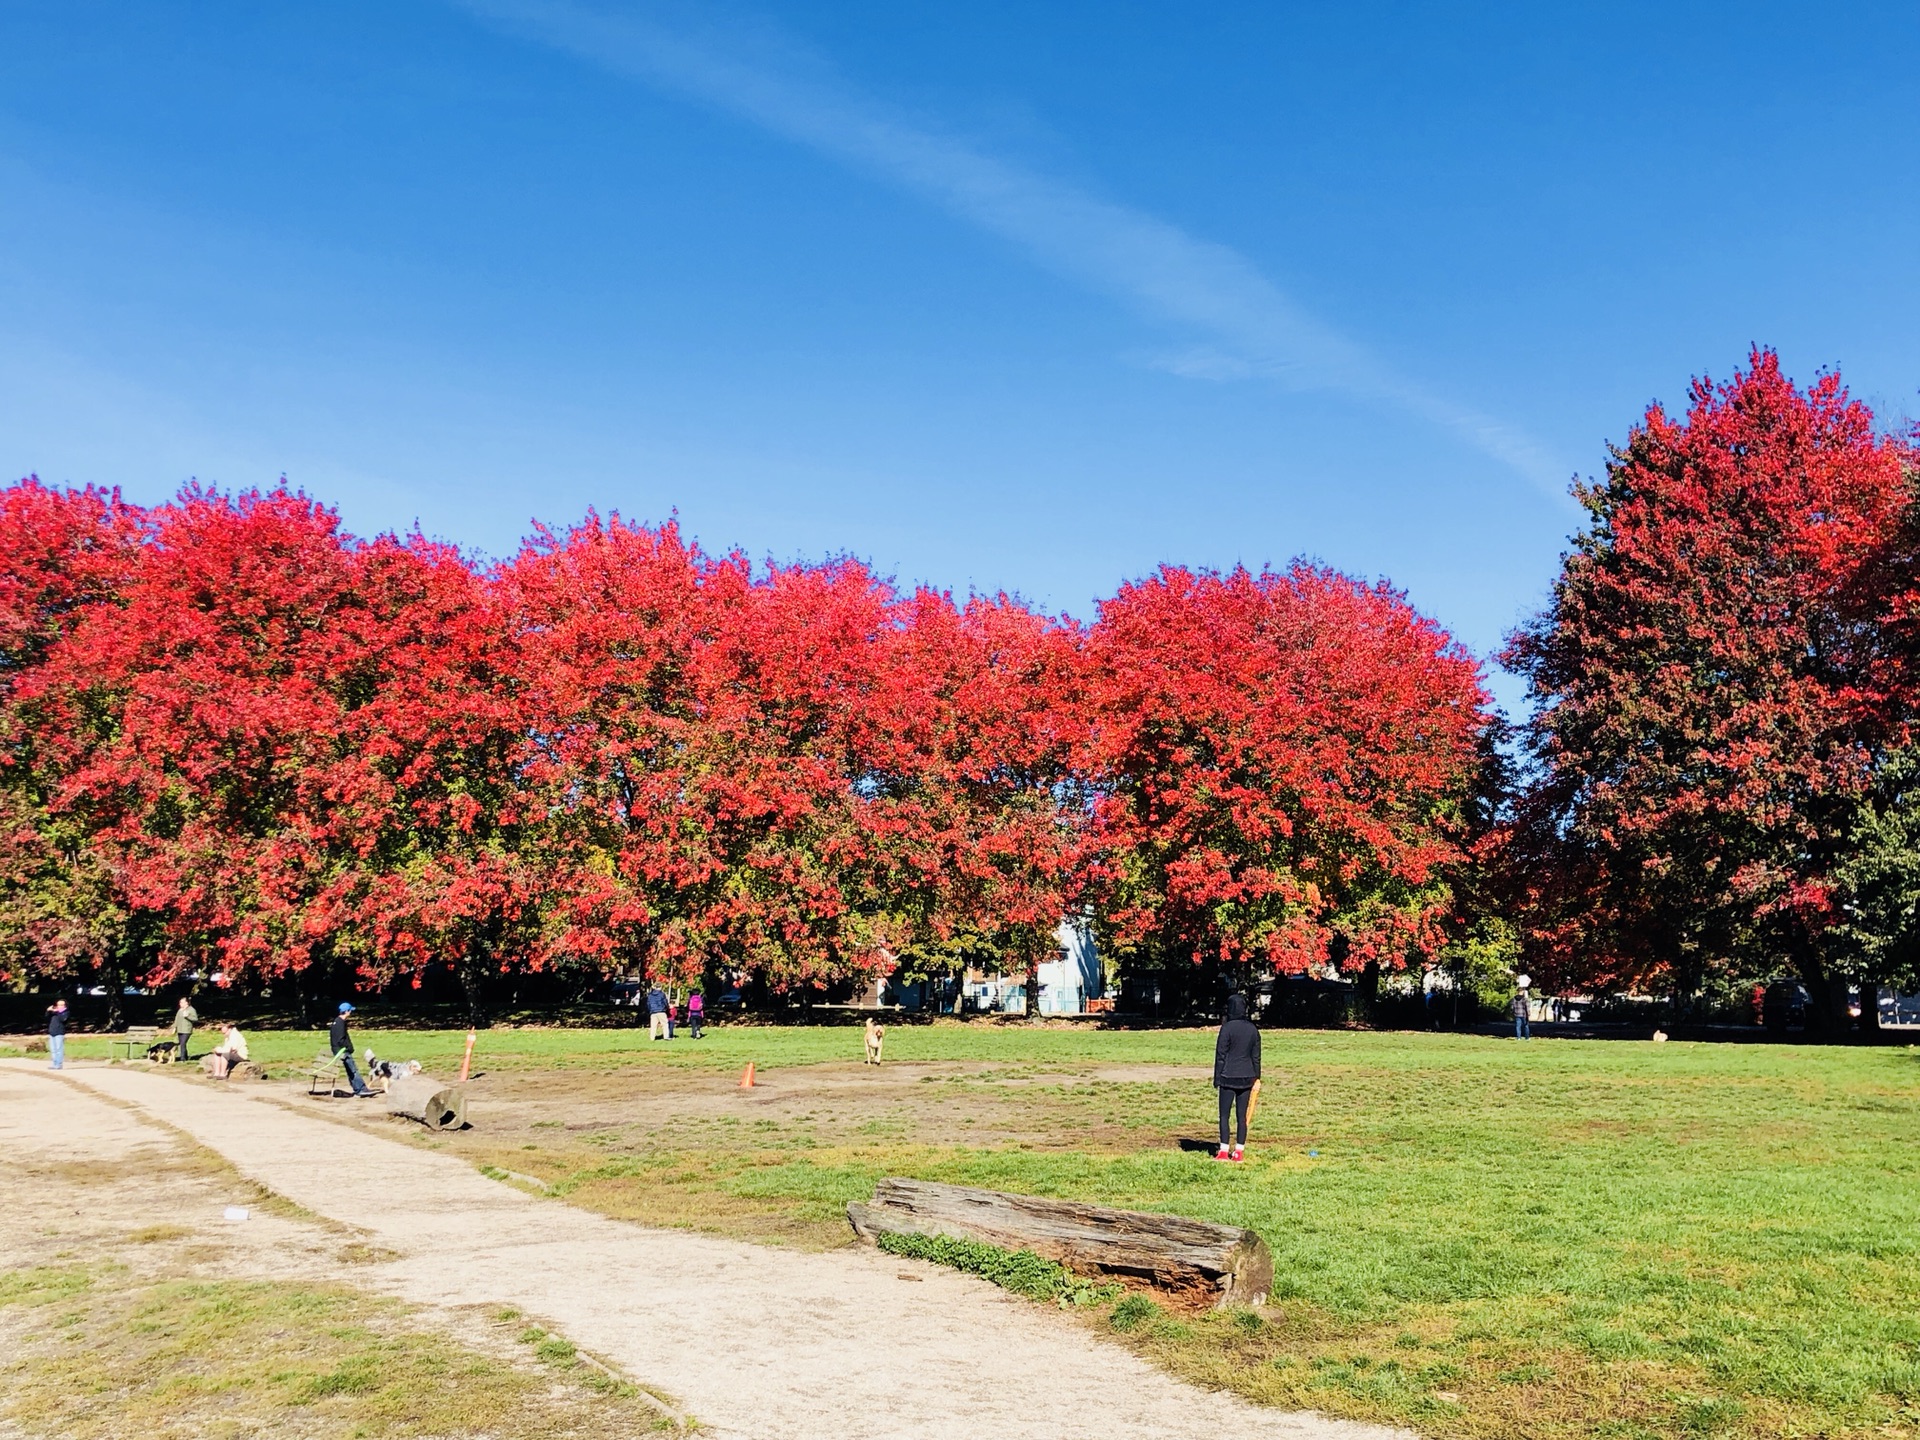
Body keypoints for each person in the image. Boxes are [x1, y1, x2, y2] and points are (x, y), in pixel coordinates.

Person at [1213, 993, 1261, 1162]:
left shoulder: (1226, 1028)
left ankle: (1224, 1150)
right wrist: (1257, 1078)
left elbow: (1221, 1054)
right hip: (1247, 1077)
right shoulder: (1253, 1029)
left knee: (1224, 1115)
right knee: (1242, 1116)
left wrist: (1217, 1077)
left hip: (1228, 1076)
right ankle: (1239, 1151)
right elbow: (1256, 1056)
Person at [328, 1002, 374, 1097]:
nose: (351, 1013)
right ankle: (361, 1089)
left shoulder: (336, 1021)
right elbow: (341, 1039)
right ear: (347, 1011)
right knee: (353, 1070)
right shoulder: (340, 1023)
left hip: (339, 1050)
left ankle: (358, 1089)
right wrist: (348, 1048)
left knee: (350, 1070)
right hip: (343, 1051)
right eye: (350, 1011)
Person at [174, 995, 199, 1063]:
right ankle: (185, 1056)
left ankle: (182, 1058)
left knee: (183, 1043)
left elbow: (195, 1019)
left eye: (182, 1002)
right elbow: (177, 1019)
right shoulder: (180, 1010)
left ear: (186, 1003)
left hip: (186, 1030)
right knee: (181, 1044)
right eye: (180, 1002)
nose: (180, 1004)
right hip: (180, 1029)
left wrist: (187, 1016)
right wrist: (174, 1027)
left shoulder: (191, 1010)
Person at [46, 998, 68, 1071]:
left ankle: (59, 1064)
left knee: (59, 1049)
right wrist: (48, 1011)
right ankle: (54, 1064)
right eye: (58, 1005)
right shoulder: (53, 1013)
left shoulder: (65, 1012)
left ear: (65, 1006)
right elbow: (46, 1017)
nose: (60, 1006)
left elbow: (63, 1019)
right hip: (52, 1032)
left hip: (59, 1033)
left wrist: (58, 1012)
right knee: (53, 1050)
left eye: (61, 1005)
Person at [1512, 976, 1532, 1040]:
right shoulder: (1524, 999)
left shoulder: (1514, 998)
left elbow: (1512, 1006)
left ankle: (1518, 1037)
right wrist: (1528, 1013)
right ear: (1522, 992)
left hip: (1517, 1014)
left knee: (1518, 1026)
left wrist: (1513, 1012)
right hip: (1524, 1014)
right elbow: (1527, 1006)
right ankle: (1527, 1037)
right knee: (1526, 1026)